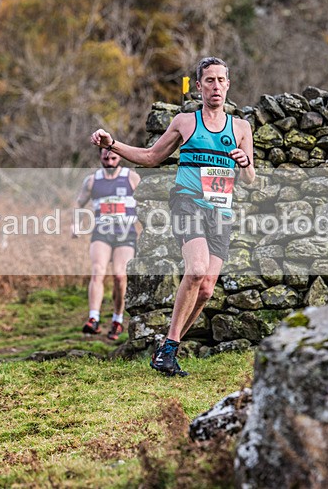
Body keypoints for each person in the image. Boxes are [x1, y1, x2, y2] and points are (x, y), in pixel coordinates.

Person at [90, 56, 255, 376]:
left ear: (228, 85)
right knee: (196, 270)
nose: (216, 86)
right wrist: (113, 144)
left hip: (220, 211)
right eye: (209, 80)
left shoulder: (241, 128)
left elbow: (250, 179)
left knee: (206, 288)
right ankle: (168, 349)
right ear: (199, 86)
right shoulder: (185, 122)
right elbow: (151, 156)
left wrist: (245, 162)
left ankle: (167, 348)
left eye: (221, 80)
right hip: (188, 201)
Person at [73, 147, 140, 341]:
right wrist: (75, 224)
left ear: (119, 157)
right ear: (100, 157)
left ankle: (117, 320)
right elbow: (79, 203)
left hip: (126, 234)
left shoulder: (131, 177)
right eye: (106, 158)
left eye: (113, 158)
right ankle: (93, 319)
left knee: (120, 276)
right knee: (97, 271)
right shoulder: (92, 180)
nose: (110, 162)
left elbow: (145, 200)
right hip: (101, 233)